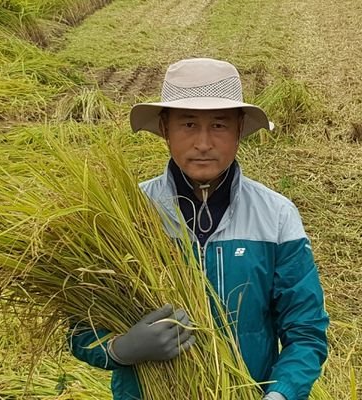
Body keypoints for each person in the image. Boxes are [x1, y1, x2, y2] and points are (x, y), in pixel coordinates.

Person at [68, 58, 329, 400]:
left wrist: (280, 395)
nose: (203, 143)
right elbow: (82, 329)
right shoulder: (125, 214)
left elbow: (306, 333)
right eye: (188, 124)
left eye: (219, 125)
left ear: (239, 129)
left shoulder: (276, 216)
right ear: (164, 128)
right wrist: (121, 349)